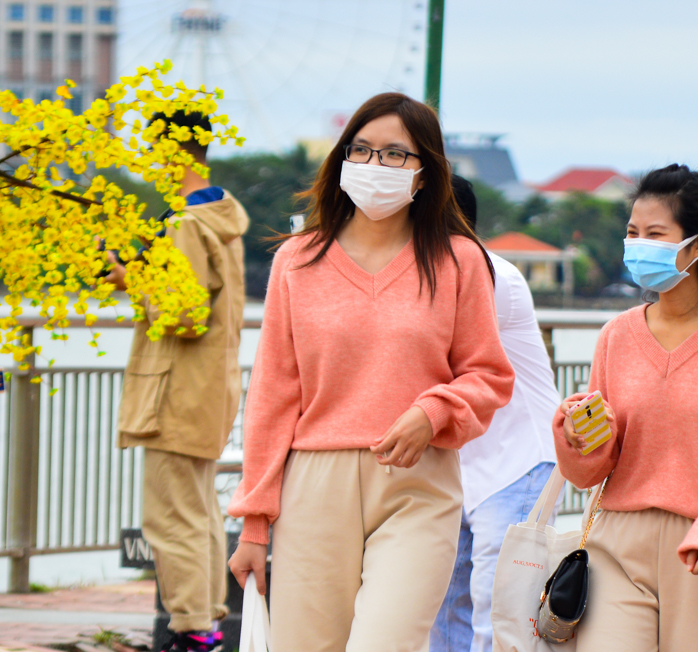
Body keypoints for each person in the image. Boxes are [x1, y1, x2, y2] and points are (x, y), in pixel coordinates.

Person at [226, 93, 514, 652]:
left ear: (427, 172)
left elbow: (488, 375)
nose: (374, 165)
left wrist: (433, 413)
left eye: (394, 155)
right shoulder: (297, 260)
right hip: (312, 485)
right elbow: (273, 395)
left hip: (417, 485)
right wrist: (254, 525)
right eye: (360, 150)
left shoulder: (460, 261)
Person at [553, 164, 698, 651]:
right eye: (632, 232)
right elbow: (593, 468)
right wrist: (576, 438)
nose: (638, 244)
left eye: (655, 234)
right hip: (617, 546)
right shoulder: (616, 335)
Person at [110, 110, 250, 652]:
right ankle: (206, 624)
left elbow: (183, 314)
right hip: (207, 387)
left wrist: (131, 278)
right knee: (199, 511)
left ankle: (193, 630)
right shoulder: (218, 216)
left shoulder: (188, 225)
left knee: (171, 517)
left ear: (171, 153)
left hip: (177, 389)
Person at [430, 176, 559, 652]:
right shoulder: (428, 276)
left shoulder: (492, 277)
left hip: (517, 464)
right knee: (440, 608)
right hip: (463, 466)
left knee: (496, 614)